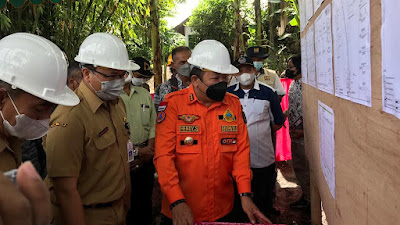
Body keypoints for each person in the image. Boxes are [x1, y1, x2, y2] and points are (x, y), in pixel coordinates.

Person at [154, 40, 271, 225]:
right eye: (215, 79)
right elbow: (163, 156)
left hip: (222, 208)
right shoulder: (173, 104)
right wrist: (176, 201)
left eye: (225, 78)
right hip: (181, 210)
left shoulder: (232, 104)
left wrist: (245, 194)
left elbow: (241, 152)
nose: (222, 83)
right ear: (195, 80)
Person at [45, 33, 139, 225]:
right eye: (112, 76)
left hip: (118, 211)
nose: (119, 82)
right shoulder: (70, 116)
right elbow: (65, 190)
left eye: (122, 75)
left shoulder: (116, 103)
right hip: (87, 216)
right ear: (87, 74)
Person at [0, 33, 79, 172]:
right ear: (1, 98)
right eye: (39, 109)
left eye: (50, 109)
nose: (46, 119)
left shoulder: (12, 138)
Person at [228, 56, 285, 217]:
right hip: (235, 159)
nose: (244, 73)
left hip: (262, 156)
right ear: (235, 74)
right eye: (240, 70)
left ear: (254, 70)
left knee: (263, 196)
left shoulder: (269, 93)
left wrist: (259, 132)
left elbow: (277, 122)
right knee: (238, 200)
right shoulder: (228, 95)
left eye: (248, 69)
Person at [121, 57, 156, 225]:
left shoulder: (143, 94)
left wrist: (148, 151)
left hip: (147, 158)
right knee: (126, 207)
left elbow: (153, 125)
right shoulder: (113, 97)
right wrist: (135, 152)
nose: (142, 79)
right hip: (122, 160)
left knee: (145, 203)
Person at [283, 55, 310, 209]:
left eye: (291, 66)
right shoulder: (293, 84)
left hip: (305, 137)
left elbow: (312, 112)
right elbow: (294, 105)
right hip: (294, 135)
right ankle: (306, 195)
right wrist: (285, 113)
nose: (289, 69)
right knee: (299, 167)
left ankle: (311, 202)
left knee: (307, 169)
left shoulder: (308, 86)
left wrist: (303, 132)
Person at [154, 46, 191, 110]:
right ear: (173, 65)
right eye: (182, 62)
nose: (187, 65)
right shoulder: (166, 87)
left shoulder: (202, 84)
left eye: (190, 62)